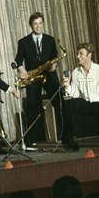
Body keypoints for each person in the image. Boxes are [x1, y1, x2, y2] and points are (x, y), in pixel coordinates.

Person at [14, 12, 65, 146]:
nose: (38, 26)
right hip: (33, 77)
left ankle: (66, 136)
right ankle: (32, 141)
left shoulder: (51, 39)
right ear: (31, 25)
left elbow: (55, 57)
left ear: (43, 24)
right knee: (31, 108)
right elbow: (18, 60)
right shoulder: (23, 42)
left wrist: (54, 65)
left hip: (49, 76)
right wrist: (22, 70)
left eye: (40, 23)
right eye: (35, 24)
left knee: (60, 104)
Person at [61, 42, 99, 148]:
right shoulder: (75, 72)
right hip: (86, 104)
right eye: (77, 54)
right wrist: (67, 85)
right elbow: (76, 94)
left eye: (81, 54)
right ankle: (73, 138)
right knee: (71, 103)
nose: (78, 56)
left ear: (89, 55)